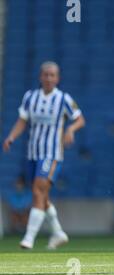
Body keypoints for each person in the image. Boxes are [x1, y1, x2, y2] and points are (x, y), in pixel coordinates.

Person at [2, 61, 85, 249]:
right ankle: (57, 233)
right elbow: (22, 121)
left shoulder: (63, 99)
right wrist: (11, 137)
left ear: (57, 78)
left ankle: (29, 238)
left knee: (38, 190)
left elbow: (80, 119)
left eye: (52, 75)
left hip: (52, 153)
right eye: (45, 74)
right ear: (40, 77)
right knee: (41, 195)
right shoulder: (30, 97)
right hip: (33, 153)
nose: (48, 78)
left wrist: (70, 129)